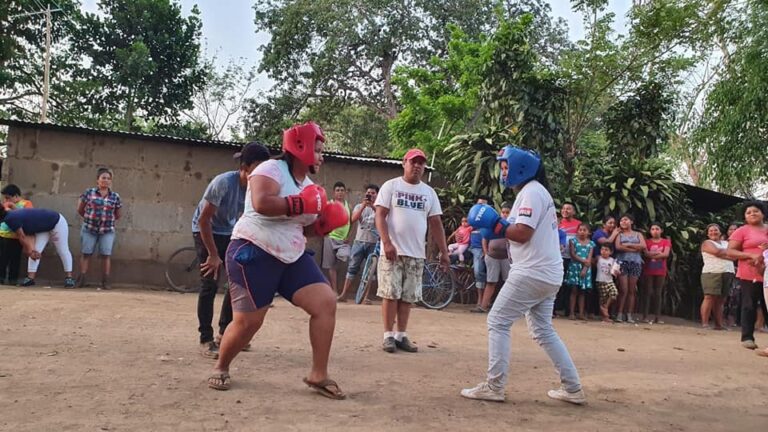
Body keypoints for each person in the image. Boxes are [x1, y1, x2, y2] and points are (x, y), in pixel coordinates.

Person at [208, 121, 349, 399]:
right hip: (254, 248)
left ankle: (318, 374)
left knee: (325, 302)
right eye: (318, 149)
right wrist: (300, 204)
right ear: (301, 147)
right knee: (249, 323)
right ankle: (221, 366)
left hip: (291, 254)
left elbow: (303, 227)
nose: (321, 156)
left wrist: (322, 226)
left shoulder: (311, 187)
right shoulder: (270, 169)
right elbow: (262, 202)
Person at [461, 145, 585, 405]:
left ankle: (494, 386)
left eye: (506, 166)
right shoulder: (535, 193)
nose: (503, 171)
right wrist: (496, 229)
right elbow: (517, 234)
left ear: (520, 168)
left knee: (497, 320)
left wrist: (495, 224)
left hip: (532, 272)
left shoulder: (531, 193)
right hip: (546, 272)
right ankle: (572, 388)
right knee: (543, 330)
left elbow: (522, 233)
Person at [192, 142, 271, 359]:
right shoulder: (223, 183)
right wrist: (213, 254)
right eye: (256, 169)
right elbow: (204, 220)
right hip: (205, 231)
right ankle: (206, 339)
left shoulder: (258, 188)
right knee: (210, 281)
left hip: (229, 231)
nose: (260, 174)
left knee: (236, 282)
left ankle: (225, 333)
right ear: (244, 168)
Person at [374, 148, 449, 354]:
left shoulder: (429, 192)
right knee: (390, 293)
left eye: (421, 163)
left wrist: (444, 252)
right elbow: (380, 216)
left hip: (417, 252)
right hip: (392, 251)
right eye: (413, 162)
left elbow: (436, 223)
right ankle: (388, 335)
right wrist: (387, 242)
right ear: (404, 163)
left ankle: (401, 335)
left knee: (408, 296)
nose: (417, 166)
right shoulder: (391, 186)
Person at [726, 201, 768, 350]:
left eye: (755, 211)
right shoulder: (742, 231)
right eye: (748, 212)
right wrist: (750, 255)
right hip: (749, 274)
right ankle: (747, 337)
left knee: (767, 305)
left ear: (763, 213)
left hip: (767, 273)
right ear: (744, 217)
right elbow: (730, 252)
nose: (752, 214)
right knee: (749, 304)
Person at [0, 207, 75, 288]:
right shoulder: (11, 215)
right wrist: (30, 251)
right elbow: (29, 233)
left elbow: (22, 236)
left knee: (62, 250)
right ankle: (30, 278)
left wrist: (29, 251)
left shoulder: (10, 219)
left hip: (56, 222)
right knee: (35, 251)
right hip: (42, 227)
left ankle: (69, 277)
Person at [76, 168, 122, 290]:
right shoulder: (89, 193)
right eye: (103, 178)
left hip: (107, 230)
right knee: (86, 253)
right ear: (97, 180)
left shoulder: (115, 196)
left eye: (108, 178)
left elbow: (118, 214)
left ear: (111, 181)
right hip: (89, 228)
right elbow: (80, 209)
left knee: (106, 255)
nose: (106, 180)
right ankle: (82, 279)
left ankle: (106, 281)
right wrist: (89, 219)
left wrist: (107, 222)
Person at [337, 184, 380, 302]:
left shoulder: (380, 208)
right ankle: (344, 294)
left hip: (373, 243)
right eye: (368, 193)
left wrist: (373, 207)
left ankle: (366, 297)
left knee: (370, 271)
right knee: (352, 268)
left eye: (373, 193)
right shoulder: (358, 206)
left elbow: (383, 219)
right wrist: (363, 206)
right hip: (359, 241)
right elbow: (353, 219)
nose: (370, 195)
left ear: (377, 195)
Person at [472, 203, 512, 313]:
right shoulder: (493, 224)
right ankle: (483, 306)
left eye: (507, 212)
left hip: (506, 258)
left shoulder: (511, 225)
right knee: (490, 282)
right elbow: (484, 239)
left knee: (508, 283)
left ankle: (508, 309)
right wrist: (486, 253)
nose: (504, 214)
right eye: (503, 212)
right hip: (492, 257)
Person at [699, 224, 735, 330]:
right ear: (707, 233)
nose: (713, 232)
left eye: (716, 230)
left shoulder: (726, 243)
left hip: (727, 272)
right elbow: (717, 252)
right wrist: (730, 254)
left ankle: (719, 325)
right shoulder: (707, 243)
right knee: (709, 297)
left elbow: (734, 257)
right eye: (710, 231)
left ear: (720, 232)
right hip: (712, 272)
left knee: (721, 300)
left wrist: (728, 254)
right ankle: (705, 323)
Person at [614, 214, 645, 323]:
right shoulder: (619, 234)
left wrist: (626, 246)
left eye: (626, 219)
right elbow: (618, 247)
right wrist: (634, 248)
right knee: (623, 290)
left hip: (635, 263)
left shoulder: (638, 234)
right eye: (621, 220)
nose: (623, 222)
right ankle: (619, 314)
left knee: (632, 290)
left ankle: (629, 315)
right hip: (622, 263)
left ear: (631, 221)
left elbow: (643, 246)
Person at [322, 182, 352, 296]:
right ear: (334, 192)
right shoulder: (329, 204)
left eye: (342, 190)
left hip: (342, 241)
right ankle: (334, 290)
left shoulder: (348, 206)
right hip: (330, 237)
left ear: (345, 192)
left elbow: (351, 222)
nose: (340, 192)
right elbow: (322, 219)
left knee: (344, 255)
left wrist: (348, 235)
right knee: (331, 266)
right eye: (338, 190)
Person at [0, 184, 33, 285]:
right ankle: (1, 278)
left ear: (15, 196)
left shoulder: (26, 203)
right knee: (2, 259)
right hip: (3, 235)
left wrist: (14, 208)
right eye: (5, 198)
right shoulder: (5, 204)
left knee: (15, 259)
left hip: (16, 237)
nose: (6, 200)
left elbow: (28, 217)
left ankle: (12, 279)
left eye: (8, 198)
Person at [641, 223, 671, 324]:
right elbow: (646, 254)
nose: (655, 231)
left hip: (661, 270)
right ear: (650, 231)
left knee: (658, 293)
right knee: (647, 292)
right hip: (648, 270)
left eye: (657, 229)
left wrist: (651, 255)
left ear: (661, 230)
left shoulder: (666, 241)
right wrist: (659, 254)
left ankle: (657, 317)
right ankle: (645, 316)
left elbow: (666, 254)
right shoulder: (646, 242)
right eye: (652, 229)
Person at [556, 202, 581, 317]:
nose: (565, 210)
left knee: (570, 285)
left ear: (574, 212)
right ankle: (556, 308)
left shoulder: (578, 224)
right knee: (558, 283)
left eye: (569, 209)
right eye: (564, 208)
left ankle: (568, 309)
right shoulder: (557, 223)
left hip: (574, 259)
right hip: (559, 257)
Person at [566, 223, 595, 320]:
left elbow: (590, 257)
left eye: (584, 230)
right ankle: (571, 312)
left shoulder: (591, 243)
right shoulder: (573, 241)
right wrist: (584, 261)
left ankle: (581, 313)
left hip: (586, 269)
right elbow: (573, 254)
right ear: (577, 231)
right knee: (574, 291)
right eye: (580, 230)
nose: (582, 232)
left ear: (589, 233)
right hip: (574, 267)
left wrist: (585, 268)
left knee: (582, 292)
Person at [723, 223, 742, 327]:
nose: (733, 231)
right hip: (724, 271)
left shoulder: (742, 244)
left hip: (738, 274)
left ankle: (731, 320)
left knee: (735, 297)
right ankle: (720, 318)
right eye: (731, 229)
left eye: (735, 229)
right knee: (723, 296)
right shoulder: (723, 243)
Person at [595, 245, 619, 323]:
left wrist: (617, 272)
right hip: (600, 281)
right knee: (603, 298)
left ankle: (605, 307)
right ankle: (604, 317)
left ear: (611, 252)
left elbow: (615, 270)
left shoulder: (612, 260)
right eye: (602, 249)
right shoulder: (598, 258)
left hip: (609, 280)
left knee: (614, 293)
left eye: (606, 250)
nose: (604, 251)